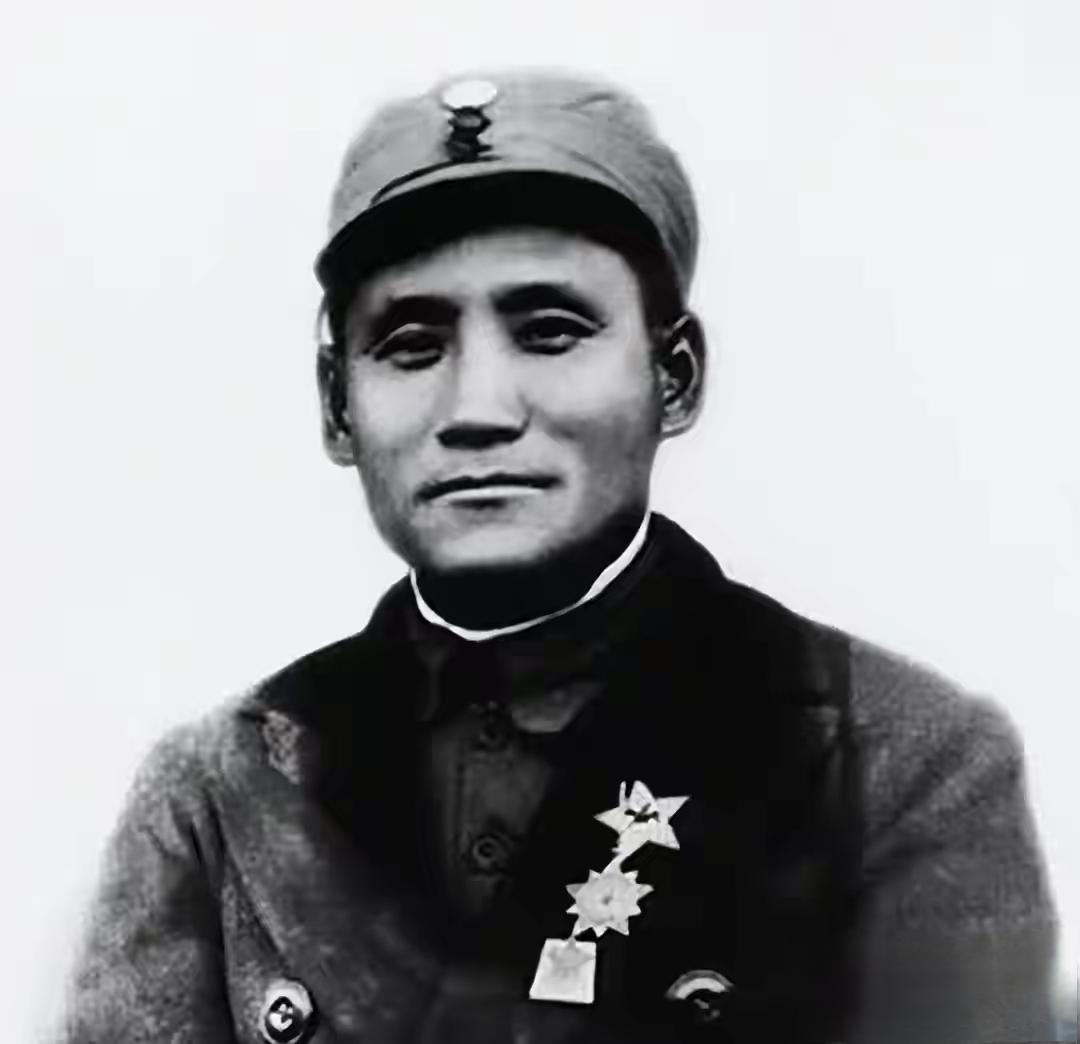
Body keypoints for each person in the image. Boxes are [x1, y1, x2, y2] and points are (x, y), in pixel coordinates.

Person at [59, 71, 1059, 1044]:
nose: (478, 409)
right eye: (411, 344)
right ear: (336, 406)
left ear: (674, 378)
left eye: (549, 332)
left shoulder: (896, 761)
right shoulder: (220, 792)